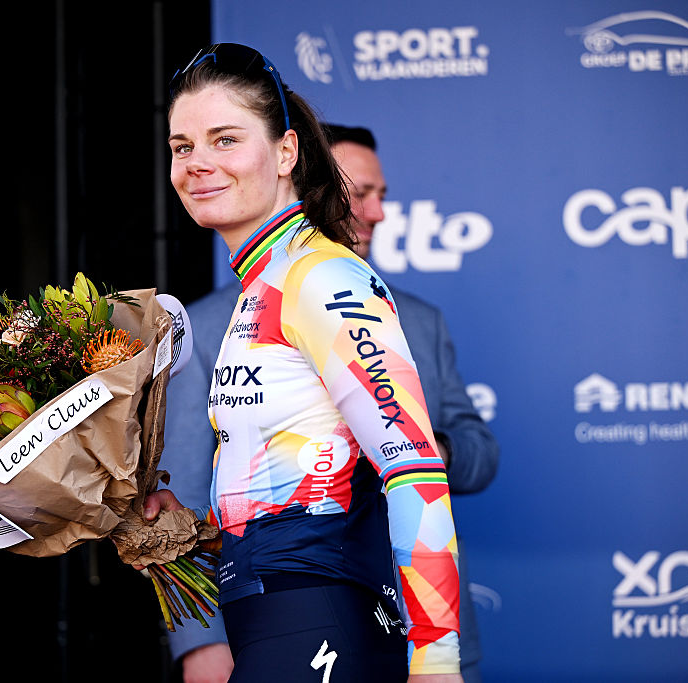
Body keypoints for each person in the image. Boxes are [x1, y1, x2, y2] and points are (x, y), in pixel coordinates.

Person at [147, 43, 462, 682]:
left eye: (224, 139)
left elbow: (416, 471)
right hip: (273, 618)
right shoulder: (259, 287)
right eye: (183, 147)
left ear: (287, 153)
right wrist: (182, 528)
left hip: (319, 619)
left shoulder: (323, 277)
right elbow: (288, 482)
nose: (198, 164)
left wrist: (437, 659)